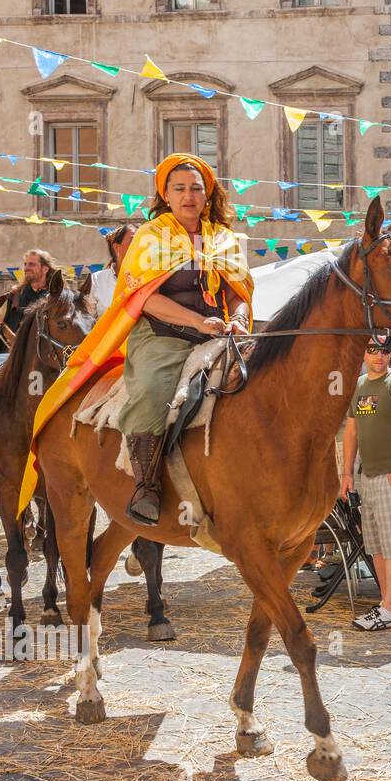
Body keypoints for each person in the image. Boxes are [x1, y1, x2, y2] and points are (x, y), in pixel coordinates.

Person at [115, 154, 252, 524]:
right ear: (166, 194)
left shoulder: (224, 238)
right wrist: (197, 321)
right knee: (153, 388)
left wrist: (238, 318)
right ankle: (146, 486)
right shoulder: (150, 236)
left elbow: (238, 292)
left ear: (207, 195)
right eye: (180, 188)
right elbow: (145, 298)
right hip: (162, 333)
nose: (189, 195)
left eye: (196, 188)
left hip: (220, 332)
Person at [341, 338, 391, 631]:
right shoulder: (360, 385)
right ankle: (385, 605)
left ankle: (388, 610)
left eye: (385, 351)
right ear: (363, 351)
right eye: (373, 349)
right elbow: (351, 433)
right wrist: (347, 472)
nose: (379, 356)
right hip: (366, 477)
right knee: (375, 546)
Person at [92, 225, 138, 317]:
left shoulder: (148, 279)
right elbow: (86, 320)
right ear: (117, 247)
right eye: (134, 241)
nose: (140, 246)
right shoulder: (96, 280)